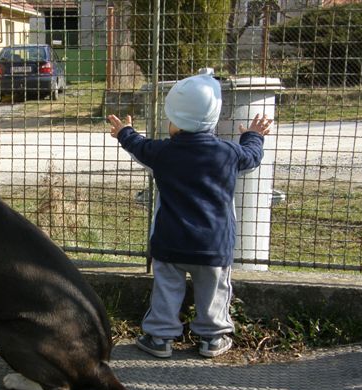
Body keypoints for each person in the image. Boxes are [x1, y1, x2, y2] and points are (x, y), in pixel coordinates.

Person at [107, 71, 273, 358]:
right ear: (213, 120)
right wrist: (253, 135)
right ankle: (212, 338)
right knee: (214, 292)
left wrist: (124, 131)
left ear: (175, 122)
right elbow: (252, 156)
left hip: (170, 241)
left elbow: (138, 147)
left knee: (166, 290)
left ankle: (159, 337)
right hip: (214, 245)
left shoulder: (162, 153)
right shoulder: (229, 154)